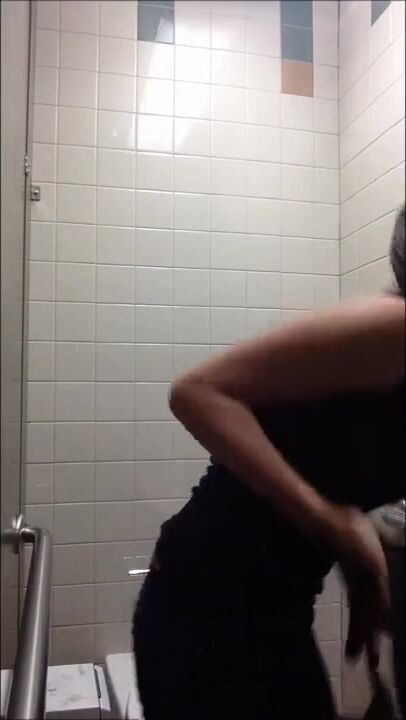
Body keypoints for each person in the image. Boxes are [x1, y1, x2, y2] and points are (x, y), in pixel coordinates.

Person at [133, 205, 405, 720]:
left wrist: (357, 558)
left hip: (277, 613)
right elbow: (196, 392)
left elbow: (329, 464)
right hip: (200, 611)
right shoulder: (396, 328)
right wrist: (329, 521)